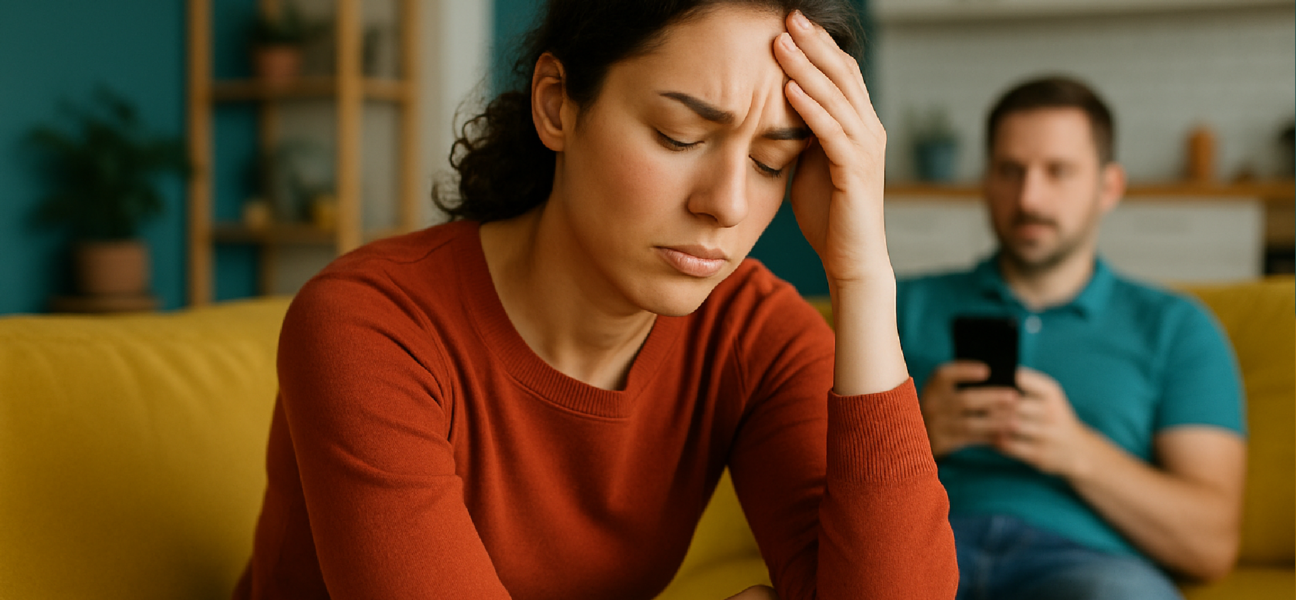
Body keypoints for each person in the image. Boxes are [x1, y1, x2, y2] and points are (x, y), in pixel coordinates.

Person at [233, 1, 958, 598]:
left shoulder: (753, 334)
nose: (728, 204)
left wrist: (862, 274)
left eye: (772, 160)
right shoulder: (372, 325)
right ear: (557, 106)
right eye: (679, 137)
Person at [896, 76, 1247, 600]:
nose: (1029, 197)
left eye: (1058, 172)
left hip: (1090, 566)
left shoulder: (1177, 327)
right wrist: (913, 441)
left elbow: (1211, 545)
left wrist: (1076, 451)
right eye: (1010, 171)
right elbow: (807, 481)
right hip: (924, 550)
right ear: (986, 180)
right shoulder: (900, 305)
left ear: (1109, 187)